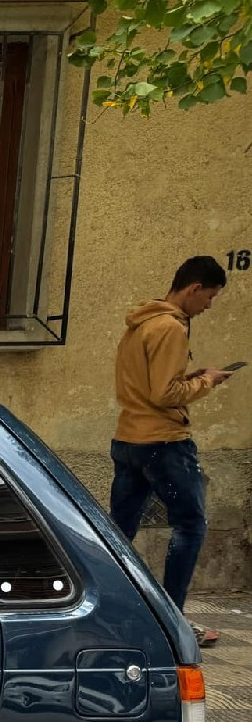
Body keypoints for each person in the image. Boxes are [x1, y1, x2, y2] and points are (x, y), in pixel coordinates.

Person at [109, 255, 233, 647]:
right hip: (162, 443)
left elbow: (149, 385)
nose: (209, 306)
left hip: (129, 438)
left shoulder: (141, 323)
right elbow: (165, 394)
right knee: (191, 526)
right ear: (194, 288)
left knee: (116, 533)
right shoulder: (170, 327)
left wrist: (190, 379)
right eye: (210, 297)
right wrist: (208, 381)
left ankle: (108, 610)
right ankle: (171, 620)